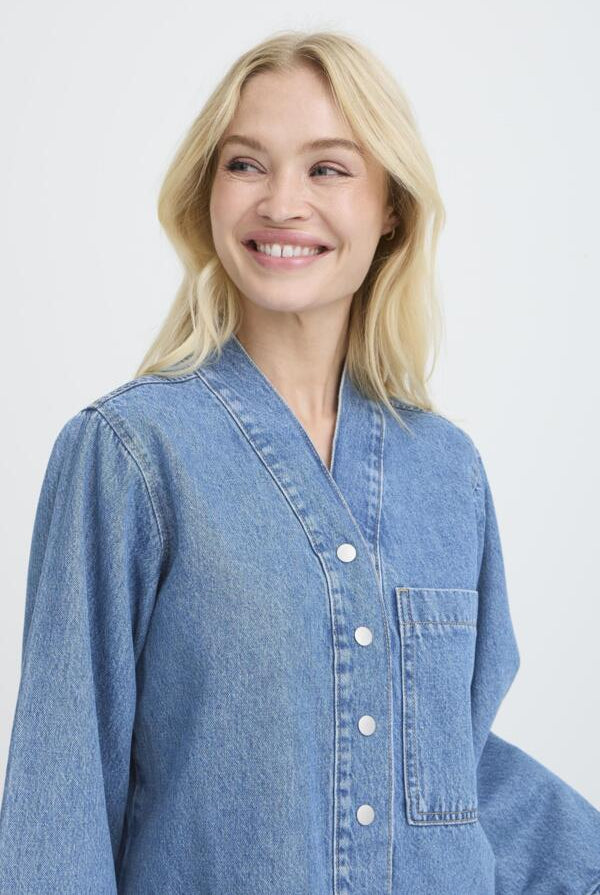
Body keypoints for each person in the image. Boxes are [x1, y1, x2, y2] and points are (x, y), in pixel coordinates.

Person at [0, 28, 598, 895]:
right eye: (246, 164)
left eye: (327, 168)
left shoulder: (449, 472)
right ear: (208, 192)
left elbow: (457, 772)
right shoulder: (129, 456)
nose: (282, 202)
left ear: (390, 207)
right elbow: (60, 798)